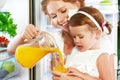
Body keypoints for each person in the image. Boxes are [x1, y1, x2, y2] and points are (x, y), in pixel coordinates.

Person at [7, 0, 115, 80]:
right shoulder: (55, 39)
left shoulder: (100, 43)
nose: (59, 19)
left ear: (78, 3)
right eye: (53, 16)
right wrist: (23, 34)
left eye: (63, 11)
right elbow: (12, 50)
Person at [52, 7, 115, 80]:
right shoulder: (75, 51)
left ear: (97, 34)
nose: (76, 41)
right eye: (74, 36)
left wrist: (83, 75)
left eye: (81, 37)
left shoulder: (101, 56)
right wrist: (61, 67)